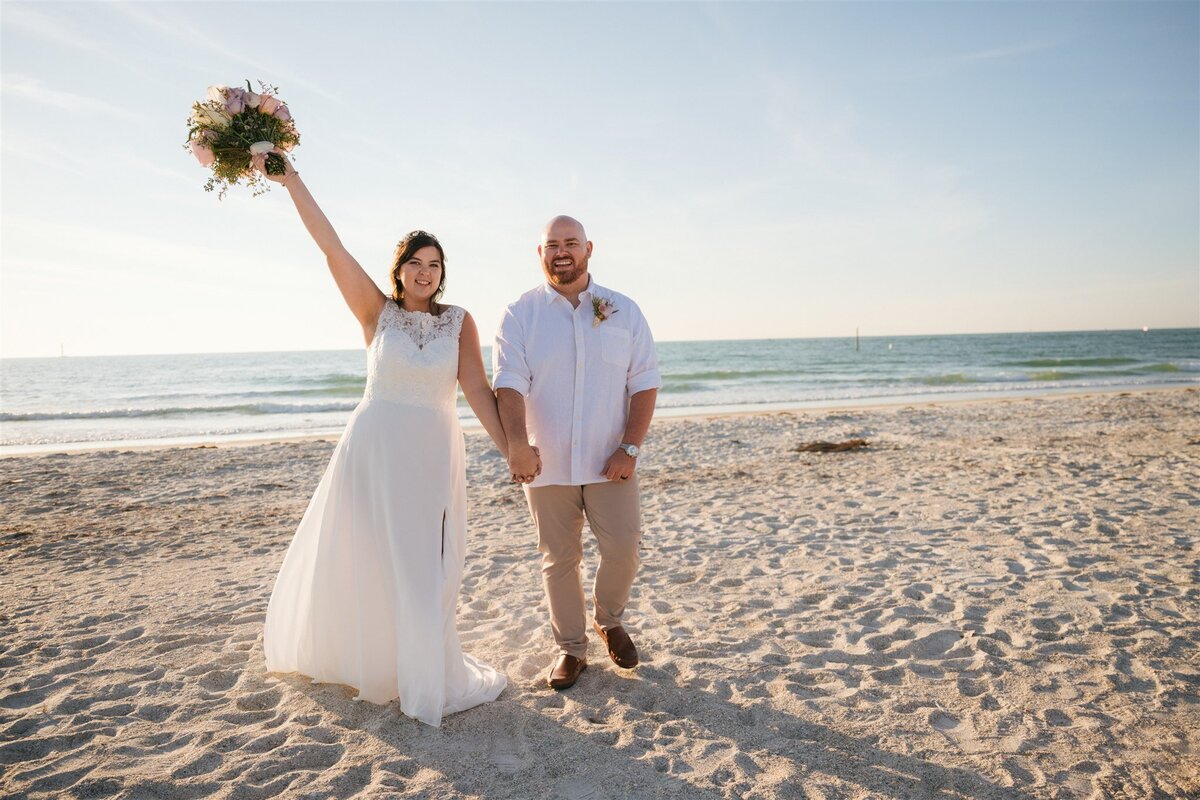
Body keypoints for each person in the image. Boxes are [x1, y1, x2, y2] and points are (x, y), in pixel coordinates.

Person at [251, 150, 517, 726]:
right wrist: (290, 179)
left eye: (436, 265)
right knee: (370, 558)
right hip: (372, 451)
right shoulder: (377, 314)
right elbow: (331, 246)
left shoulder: (459, 321)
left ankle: (426, 670)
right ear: (398, 270)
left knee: (427, 566)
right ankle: (379, 664)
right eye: (417, 263)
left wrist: (512, 451)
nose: (427, 273)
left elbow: (477, 388)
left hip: (431, 455)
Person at [493, 215, 661, 690]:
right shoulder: (519, 314)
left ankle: (608, 619)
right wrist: (516, 447)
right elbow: (508, 384)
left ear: (589, 248)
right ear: (539, 252)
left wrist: (630, 448)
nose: (561, 251)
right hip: (546, 461)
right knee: (558, 558)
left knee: (624, 548)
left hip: (611, 459)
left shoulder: (623, 310)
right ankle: (571, 648)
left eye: (571, 243)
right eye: (552, 245)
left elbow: (644, 382)